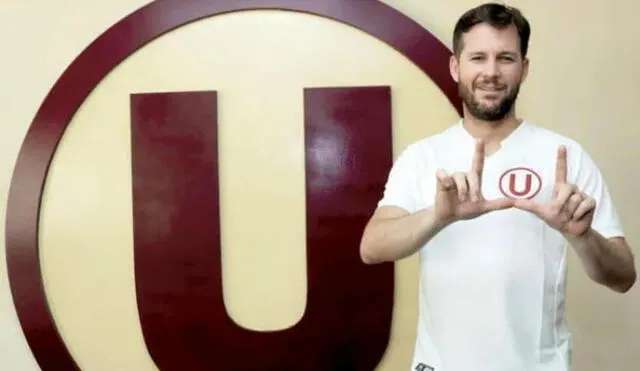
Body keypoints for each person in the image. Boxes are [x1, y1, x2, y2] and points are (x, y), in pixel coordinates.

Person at [359, 3, 636, 371]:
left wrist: (582, 237)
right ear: (456, 66)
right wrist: (439, 216)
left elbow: (623, 277)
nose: (491, 72)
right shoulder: (422, 157)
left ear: (524, 68)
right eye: (478, 58)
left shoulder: (564, 157)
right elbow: (372, 247)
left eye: (505, 58)